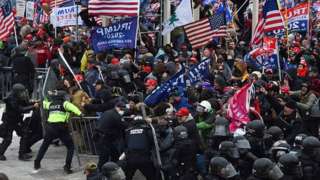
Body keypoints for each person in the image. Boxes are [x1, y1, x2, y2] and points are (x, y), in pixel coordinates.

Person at [34, 89, 82, 174]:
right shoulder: (65, 103)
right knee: (71, 147)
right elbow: (73, 108)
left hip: (50, 127)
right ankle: (67, 167)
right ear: (62, 97)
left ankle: (37, 163)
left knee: (44, 146)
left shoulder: (51, 104)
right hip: (61, 128)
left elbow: (44, 103)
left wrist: (45, 97)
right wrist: (80, 114)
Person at [0, 83, 39, 161]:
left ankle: (22, 154)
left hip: (17, 120)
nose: (22, 94)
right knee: (8, 139)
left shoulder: (18, 97)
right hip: (9, 121)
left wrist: (34, 102)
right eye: (21, 92)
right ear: (16, 92)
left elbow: (26, 103)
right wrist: (33, 107)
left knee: (24, 134)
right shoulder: (11, 99)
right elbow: (20, 109)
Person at [94, 101, 128, 170]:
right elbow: (124, 125)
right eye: (122, 109)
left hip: (101, 137)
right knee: (104, 158)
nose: (123, 111)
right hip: (104, 139)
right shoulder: (116, 116)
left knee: (114, 154)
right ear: (117, 108)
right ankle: (99, 174)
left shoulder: (107, 112)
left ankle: (113, 169)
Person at [123, 115, 156, 180]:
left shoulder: (128, 130)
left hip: (131, 158)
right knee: (151, 177)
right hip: (144, 158)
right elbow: (152, 142)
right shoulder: (147, 129)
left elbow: (126, 143)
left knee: (127, 177)